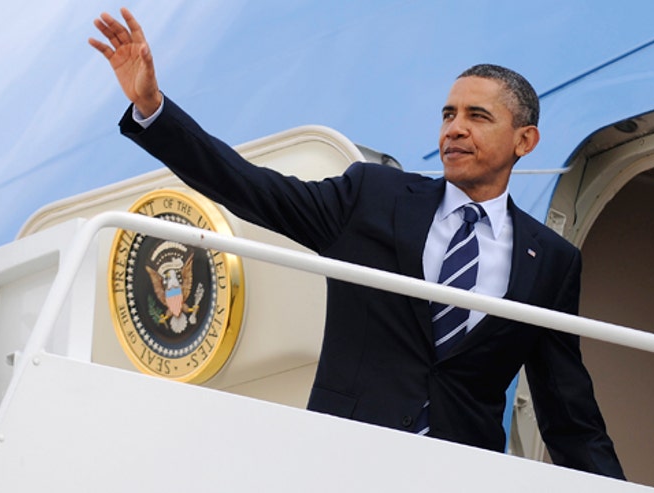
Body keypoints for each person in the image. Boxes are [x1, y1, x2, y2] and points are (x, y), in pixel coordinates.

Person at [90, 7, 625, 479]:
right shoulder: (373, 195)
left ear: (524, 140)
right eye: (448, 114)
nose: (455, 129)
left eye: (477, 116)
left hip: (457, 474)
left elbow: (568, 412)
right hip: (341, 462)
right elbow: (251, 188)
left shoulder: (552, 262)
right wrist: (154, 110)